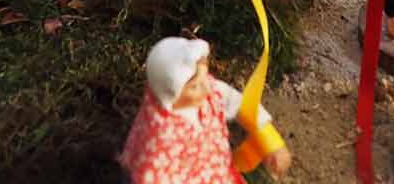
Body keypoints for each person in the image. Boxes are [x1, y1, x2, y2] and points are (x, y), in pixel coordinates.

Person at [120, 37, 291, 182]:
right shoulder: (158, 145)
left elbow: (240, 104)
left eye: (205, 74)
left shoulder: (205, 89)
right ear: (171, 95)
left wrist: (270, 141)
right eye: (195, 86)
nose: (208, 87)